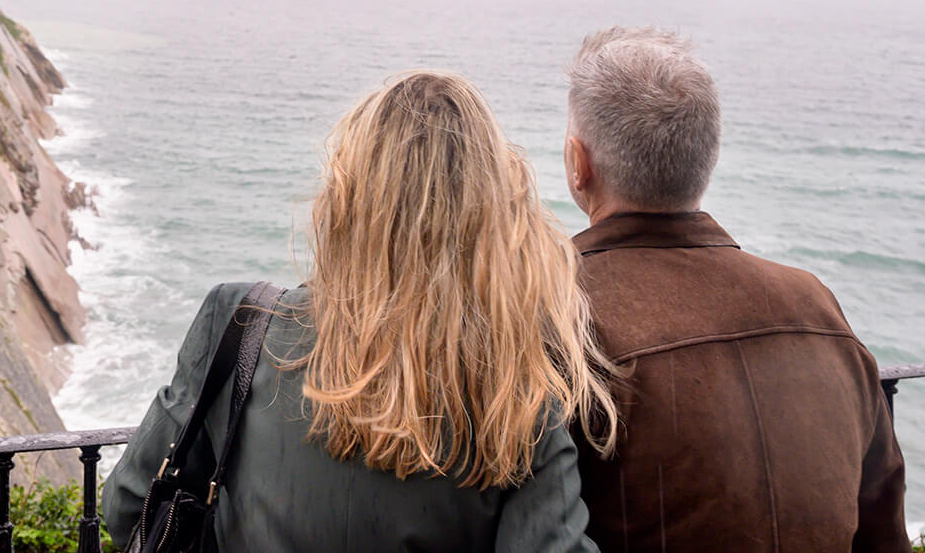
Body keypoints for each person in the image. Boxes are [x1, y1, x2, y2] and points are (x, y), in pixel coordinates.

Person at [104, 70, 618, 552]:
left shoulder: (238, 323)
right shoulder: (518, 382)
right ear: (491, 210)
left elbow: (129, 503)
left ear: (347, 197)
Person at [560, 27, 910, 552]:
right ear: (707, 158)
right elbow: (882, 529)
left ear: (577, 163)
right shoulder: (814, 303)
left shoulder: (554, 307)